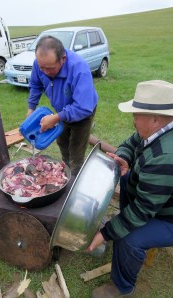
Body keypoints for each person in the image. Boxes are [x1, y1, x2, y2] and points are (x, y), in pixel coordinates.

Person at [86, 80, 173, 297]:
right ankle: (121, 223)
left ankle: (122, 287)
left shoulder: (165, 157)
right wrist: (123, 158)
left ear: (155, 118)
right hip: (157, 202)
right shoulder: (158, 131)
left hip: (168, 217)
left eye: (136, 114)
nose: (132, 119)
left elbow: (143, 211)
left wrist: (105, 234)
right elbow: (129, 144)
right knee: (126, 179)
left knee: (129, 237)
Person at [27, 35, 98, 175]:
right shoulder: (40, 63)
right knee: (62, 142)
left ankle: (74, 179)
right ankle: (66, 171)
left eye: (50, 68)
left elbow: (83, 107)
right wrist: (31, 109)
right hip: (60, 110)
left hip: (83, 112)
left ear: (63, 59)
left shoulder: (79, 69)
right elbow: (35, 84)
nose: (46, 72)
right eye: (42, 68)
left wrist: (55, 118)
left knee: (76, 151)